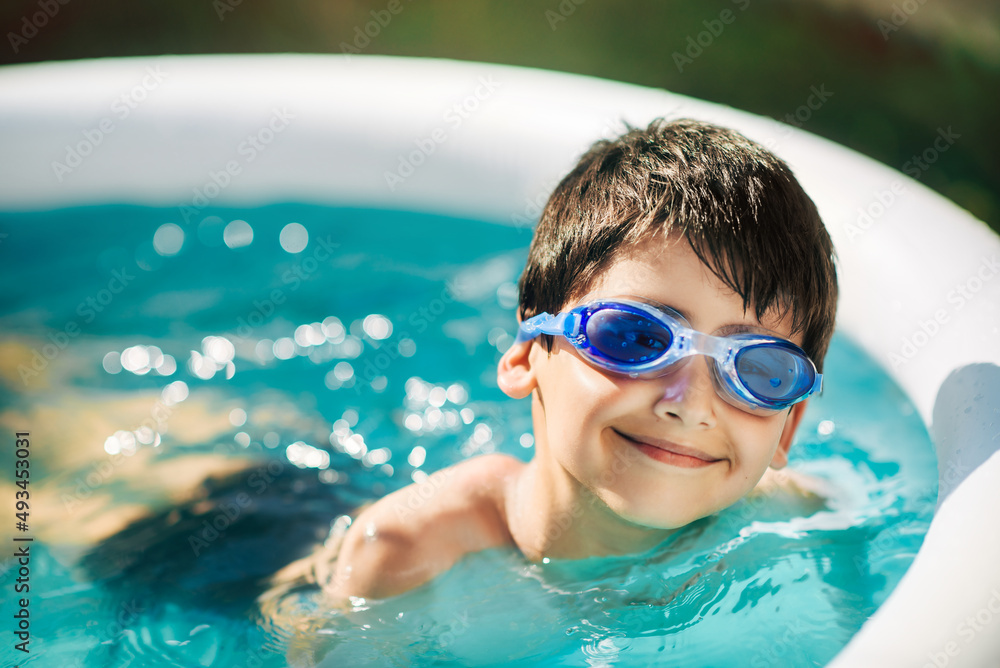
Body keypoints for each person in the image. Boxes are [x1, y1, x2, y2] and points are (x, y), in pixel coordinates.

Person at [275, 117, 838, 604]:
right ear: (526, 352)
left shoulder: (783, 513)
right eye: (638, 337)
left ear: (787, 428)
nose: (689, 406)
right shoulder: (406, 556)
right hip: (258, 545)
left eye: (760, 372)